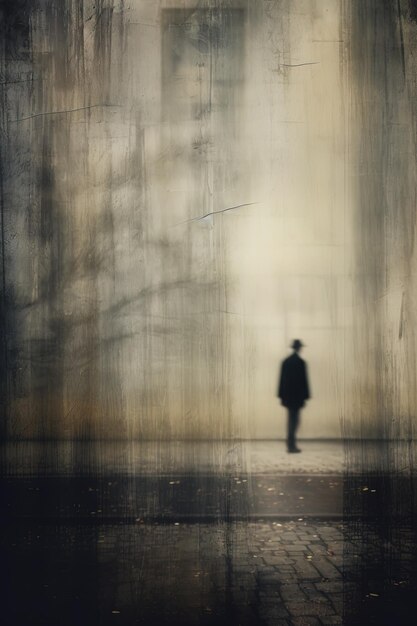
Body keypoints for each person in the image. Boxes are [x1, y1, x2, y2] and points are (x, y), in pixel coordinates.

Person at [277, 339, 310, 453]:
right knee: (295, 421)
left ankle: (290, 444)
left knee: (291, 420)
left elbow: (281, 381)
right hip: (297, 397)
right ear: (299, 348)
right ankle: (292, 445)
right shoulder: (301, 363)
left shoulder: (285, 362)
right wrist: (306, 397)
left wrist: (281, 396)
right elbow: (304, 382)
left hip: (288, 397)